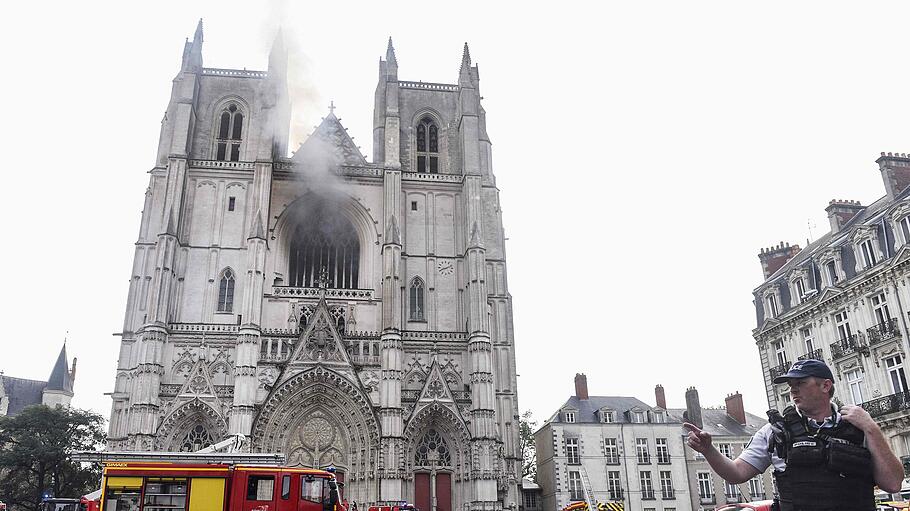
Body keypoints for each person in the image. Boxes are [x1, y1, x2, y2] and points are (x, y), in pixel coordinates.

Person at [684, 359, 903, 511]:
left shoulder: (858, 426)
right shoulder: (775, 431)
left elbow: (893, 484)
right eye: (791, 385)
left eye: (801, 383)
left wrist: (872, 429)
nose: (793, 390)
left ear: (826, 385)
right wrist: (709, 450)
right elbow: (736, 473)